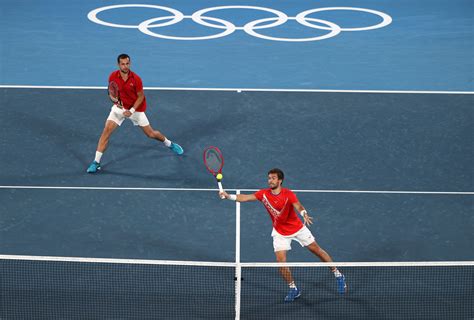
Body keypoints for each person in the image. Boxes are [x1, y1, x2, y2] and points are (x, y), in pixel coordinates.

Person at [219, 168, 347, 302]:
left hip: (297, 229)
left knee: (317, 251)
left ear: (280, 180)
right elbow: (245, 197)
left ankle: (338, 275)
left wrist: (304, 213)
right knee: (281, 263)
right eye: (269, 178)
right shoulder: (263, 194)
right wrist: (229, 196)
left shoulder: (288, 194)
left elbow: (298, 206)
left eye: (273, 178)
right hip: (280, 232)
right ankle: (293, 289)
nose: (270, 180)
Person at [87, 53, 183, 173]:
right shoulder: (112, 76)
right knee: (106, 131)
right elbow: (111, 92)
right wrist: (116, 102)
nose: (125, 66)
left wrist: (131, 110)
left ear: (130, 63)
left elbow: (141, 96)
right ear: (118, 65)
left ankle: (169, 144)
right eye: (122, 64)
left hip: (136, 110)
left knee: (151, 134)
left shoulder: (136, 79)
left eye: (127, 63)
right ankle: (96, 162)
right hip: (119, 109)